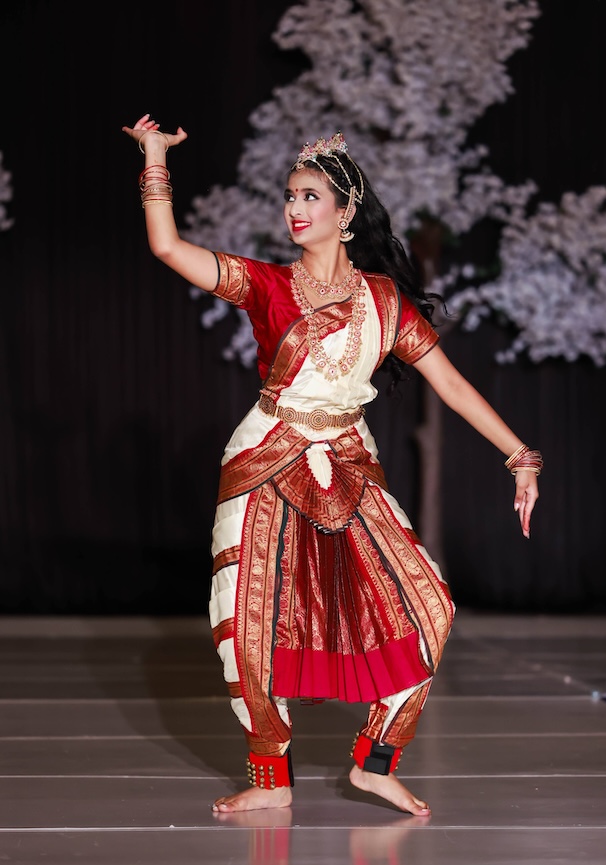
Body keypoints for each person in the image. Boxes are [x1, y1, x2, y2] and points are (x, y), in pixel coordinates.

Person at [121, 114, 542, 818]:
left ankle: (375, 764)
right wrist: (156, 161)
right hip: (265, 457)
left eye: (310, 196)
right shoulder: (263, 283)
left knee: (428, 608)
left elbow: (451, 384)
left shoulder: (383, 300)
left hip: (347, 461)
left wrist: (518, 454)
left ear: (345, 214)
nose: (294, 208)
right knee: (248, 625)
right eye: (290, 195)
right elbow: (166, 247)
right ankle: (270, 779)